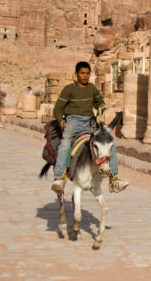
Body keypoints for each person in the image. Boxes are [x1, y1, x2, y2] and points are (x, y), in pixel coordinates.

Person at [50, 61, 128, 193]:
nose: (85, 76)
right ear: (76, 74)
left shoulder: (92, 88)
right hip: (73, 121)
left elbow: (100, 103)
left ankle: (114, 178)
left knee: (110, 143)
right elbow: (58, 109)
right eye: (82, 73)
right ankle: (59, 178)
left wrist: (102, 107)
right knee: (65, 144)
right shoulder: (69, 89)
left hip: (90, 122)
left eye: (87, 73)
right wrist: (60, 120)